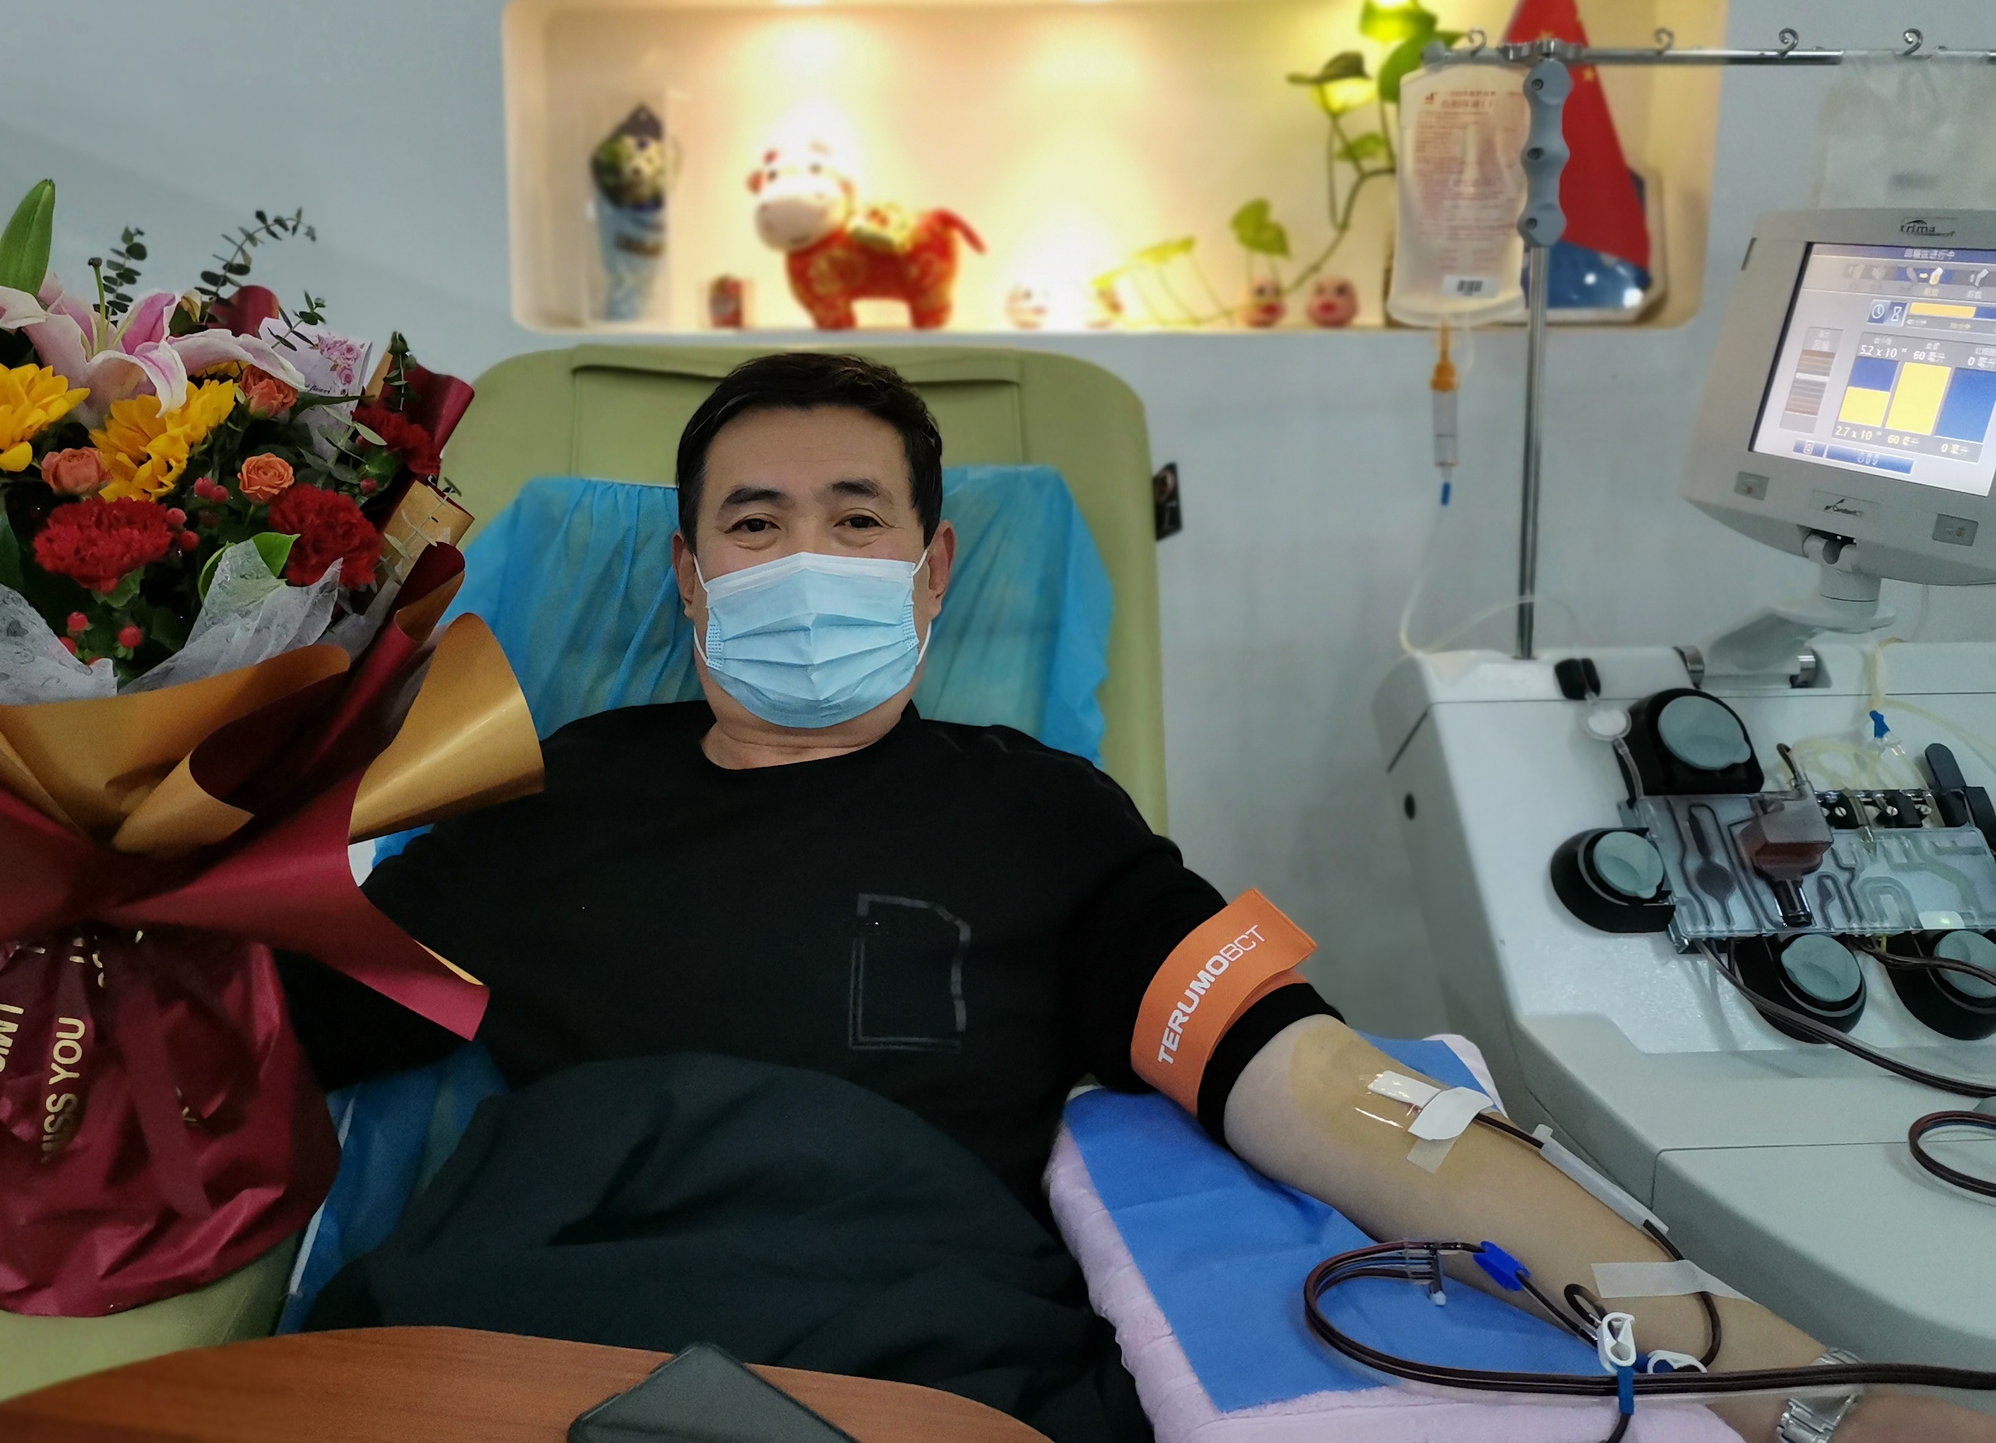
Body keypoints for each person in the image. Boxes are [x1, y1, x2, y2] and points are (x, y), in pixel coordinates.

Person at [284, 352, 1984, 1443]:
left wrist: (1770, 1374)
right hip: (534, 1327)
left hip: (895, 1350)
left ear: (933, 572)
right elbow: (280, 1030)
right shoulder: (547, 789)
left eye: (857, 519)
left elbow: (1313, 1082)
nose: (805, 559)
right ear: (688, 573)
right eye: (754, 522)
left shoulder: (1037, 818)